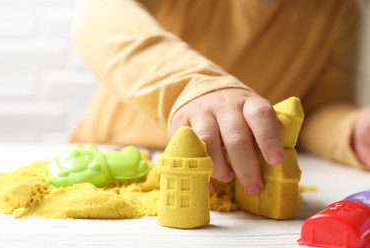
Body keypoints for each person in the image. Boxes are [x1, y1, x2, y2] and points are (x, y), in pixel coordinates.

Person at [69, 0, 370, 196]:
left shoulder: (340, 10)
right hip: (109, 162)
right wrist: (194, 85)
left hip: (229, 180)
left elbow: (318, 106)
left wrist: (352, 131)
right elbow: (101, 15)